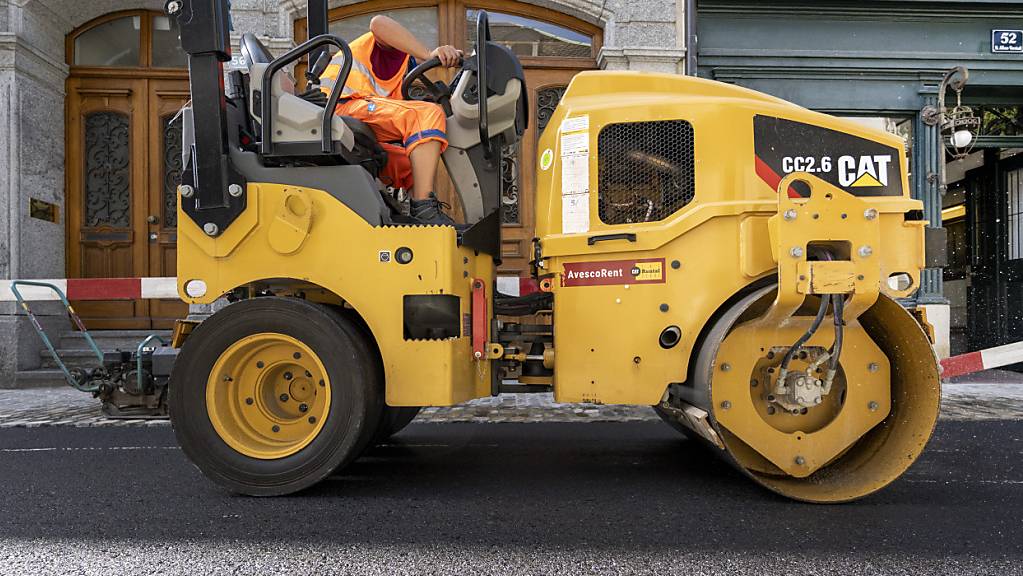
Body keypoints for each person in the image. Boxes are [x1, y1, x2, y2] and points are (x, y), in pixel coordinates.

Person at [319, 16, 463, 225]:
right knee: (426, 114)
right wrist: (428, 54)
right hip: (339, 107)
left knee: (412, 160)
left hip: (361, 119)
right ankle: (423, 207)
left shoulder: (403, 71)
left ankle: (417, 217)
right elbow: (378, 23)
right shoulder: (390, 51)